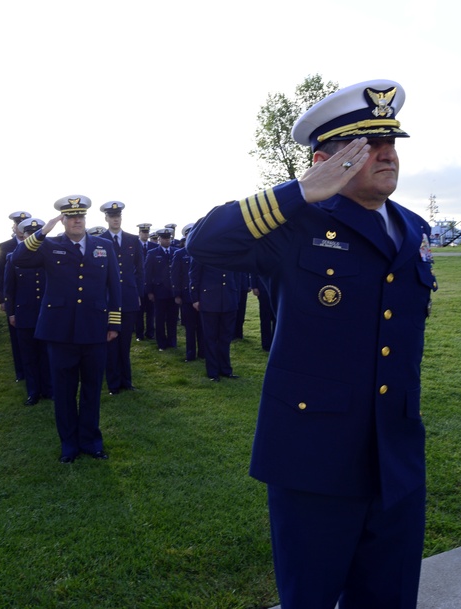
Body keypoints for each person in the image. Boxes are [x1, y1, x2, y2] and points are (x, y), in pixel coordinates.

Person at [186, 79, 437, 609]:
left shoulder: (413, 228)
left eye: (391, 142)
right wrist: (300, 189)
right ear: (327, 160)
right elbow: (205, 242)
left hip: (394, 453)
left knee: (390, 598)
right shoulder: (296, 224)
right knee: (312, 599)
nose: (387, 153)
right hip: (314, 456)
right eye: (368, 145)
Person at [11, 195, 122, 464]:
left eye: (80, 216)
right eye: (71, 217)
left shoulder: (103, 246)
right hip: (59, 330)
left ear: (86, 218)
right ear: (63, 220)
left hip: (95, 328)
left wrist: (114, 322)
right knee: (64, 390)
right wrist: (43, 231)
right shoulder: (49, 245)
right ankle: (69, 445)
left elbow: (114, 285)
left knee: (92, 388)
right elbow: (18, 259)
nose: (77, 221)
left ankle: (92, 442)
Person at [3, 217, 52, 406]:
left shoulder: (49, 255)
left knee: (46, 353)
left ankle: (49, 389)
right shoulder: (13, 258)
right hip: (24, 313)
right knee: (29, 356)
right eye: (29, 234)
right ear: (23, 236)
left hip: (46, 312)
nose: (33, 237)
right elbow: (9, 289)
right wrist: (12, 313)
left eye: (36, 233)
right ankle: (33, 392)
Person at [100, 201, 144, 394]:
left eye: (118, 216)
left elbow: (140, 270)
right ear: (106, 218)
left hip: (127, 298)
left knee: (125, 342)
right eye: (112, 216)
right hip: (107, 300)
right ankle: (113, 383)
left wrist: (138, 294)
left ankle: (127, 381)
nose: (115, 219)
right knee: (110, 342)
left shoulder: (132, 240)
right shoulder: (99, 240)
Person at [189, 256, 240, 380]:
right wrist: (195, 298)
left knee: (226, 337)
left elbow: (237, 276)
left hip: (228, 300)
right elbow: (193, 276)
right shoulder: (202, 254)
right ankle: (213, 372)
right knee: (210, 337)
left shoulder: (231, 254)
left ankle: (226, 369)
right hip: (209, 300)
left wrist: (235, 295)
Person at [0, 211, 32, 382]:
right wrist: (3, 299)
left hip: (33, 297)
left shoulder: (40, 243)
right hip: (15, 298)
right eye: (18, 224)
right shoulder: (6, 246)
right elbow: (1, 274)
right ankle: (21, 372)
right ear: (14, 226)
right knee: (16, 336)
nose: (20, 227)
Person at [171, 223, 203, 362]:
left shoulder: (203, 252)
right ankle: (190, 354)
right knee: (190, 327)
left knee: (202, 326)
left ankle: (203, 352)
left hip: (202, 296)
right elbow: (175, 275)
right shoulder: (180, 254)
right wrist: (177, 294)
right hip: (186, 295)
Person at [144, 227, 178, 351]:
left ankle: (172, 341)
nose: (167, 241)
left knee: (172, 318)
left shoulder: (176, 252)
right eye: (164, 238)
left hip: (173, 291)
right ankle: (161, 342)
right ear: (159, 239)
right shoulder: (153, 253)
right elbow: (147, 274)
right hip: (159, 291)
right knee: (159, 318)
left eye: (168, 238)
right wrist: (149, 291)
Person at [135, 222, 154, 340]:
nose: (146, 235)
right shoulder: (134, 245)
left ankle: (150, 332)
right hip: (138, 282)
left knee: (151, 311)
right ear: (139, 233)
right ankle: (139, 333)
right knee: (139, 311)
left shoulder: (153, 246)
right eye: (143, 232)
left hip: (151, 283)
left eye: (147, 232)